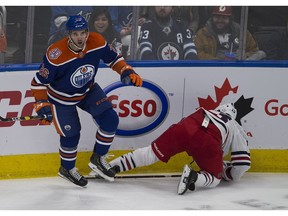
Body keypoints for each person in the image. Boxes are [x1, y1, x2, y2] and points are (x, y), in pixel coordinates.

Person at [30, 15, 143, 187]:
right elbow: (38, 83)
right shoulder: (56, 54)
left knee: (110, 119)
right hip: (61, 98)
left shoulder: (96, 40)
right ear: (69, 34)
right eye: (75, 34)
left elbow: (114, 58)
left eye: (83, 33)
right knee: (72, 134)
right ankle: (67, 169)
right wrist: (41, 104)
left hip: (87, 90)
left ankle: (98, 158)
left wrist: (126, 71)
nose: (80, 37)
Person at [106, 103, 251, 195]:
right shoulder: (234, 126)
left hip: (189, 124)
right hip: (209, 139)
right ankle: (193, 177)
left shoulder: (208, 110)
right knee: (214, 178)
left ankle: (111, 166)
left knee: (151, 152)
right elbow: (243, 162)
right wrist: (229, 174)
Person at [195, 6, 266, 60]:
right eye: (217, 17)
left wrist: (243, 56)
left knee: (261, 54)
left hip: (238, 67)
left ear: (230, 19)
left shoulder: (242, 32)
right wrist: (220, 59)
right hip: (214, 68)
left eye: (224, 18)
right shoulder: (203, 33)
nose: (220, 21)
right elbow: (197, 53)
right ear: (212, 17)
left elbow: (254, 50)